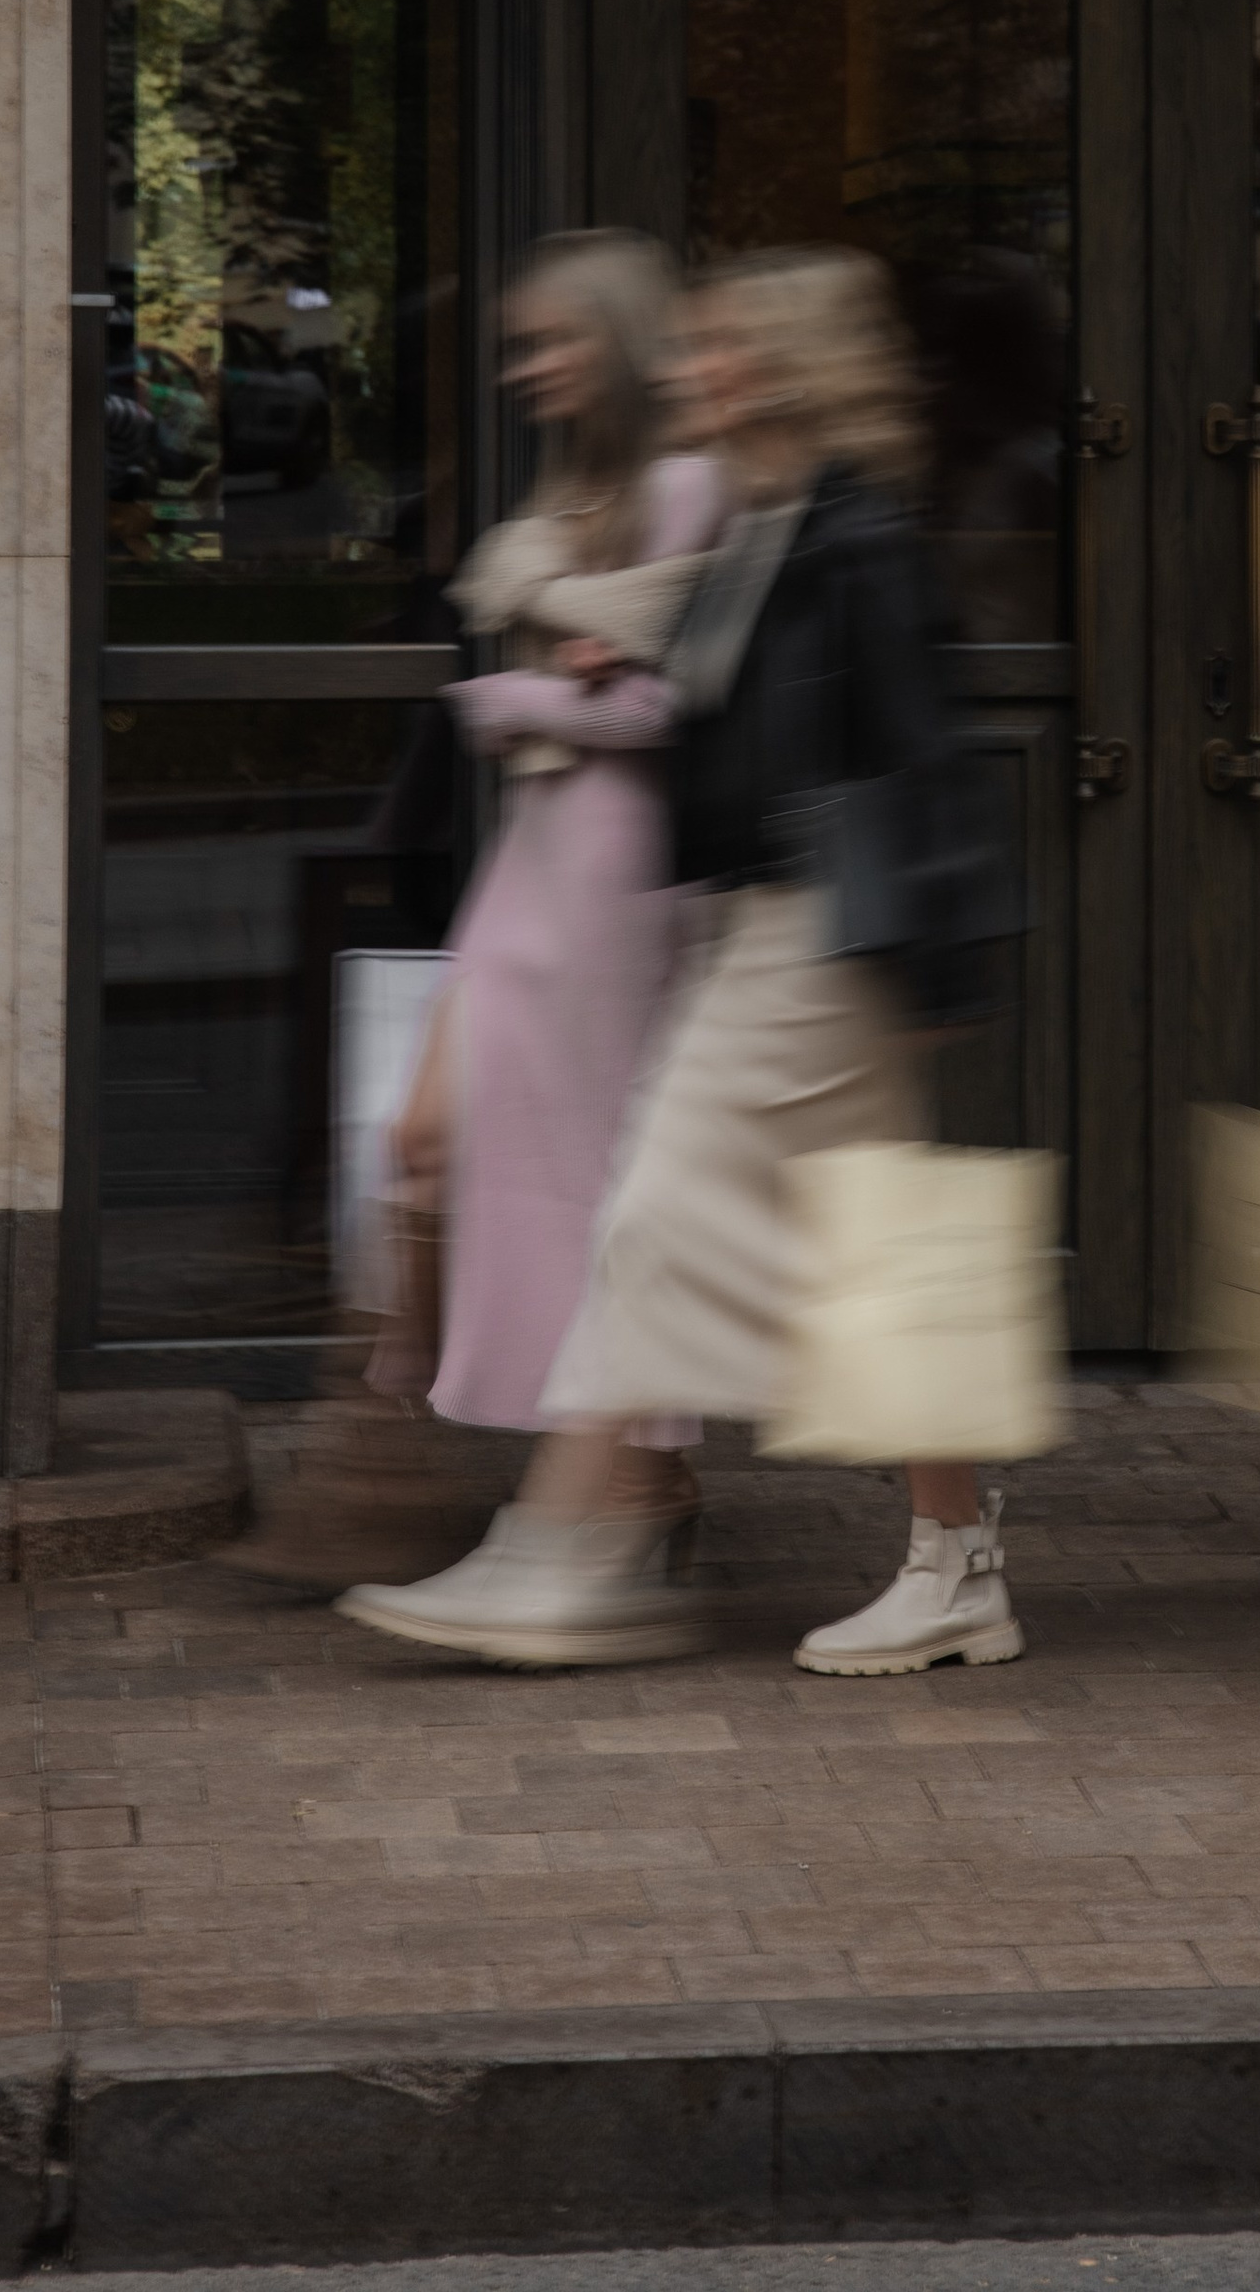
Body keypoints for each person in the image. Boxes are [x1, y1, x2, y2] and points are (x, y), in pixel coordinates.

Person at [343, 245, 1019, 1676]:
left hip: (818, 942)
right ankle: (955, 1568)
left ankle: (566, 1559)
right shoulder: (773, 527)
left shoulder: (853, 537)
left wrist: (944, 977)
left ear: (775, 370)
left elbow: (926, 757)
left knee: (652, 1224)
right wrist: (591, 662)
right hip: (775, 931)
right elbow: (697, 705)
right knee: (879, 1254)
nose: (684, 371)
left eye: (711, 350)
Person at [350, 233, 726, 1615]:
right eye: (523, 343)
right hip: (540, 858)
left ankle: (627, 1491)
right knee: (428, 1135)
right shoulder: (579, 491)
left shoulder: (687, 484)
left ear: (620, 345)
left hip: (618, 871)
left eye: (556, 341)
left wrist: (505, 702)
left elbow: (656, 703)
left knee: (580, 1175)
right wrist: (557, 662)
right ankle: (595, 1476)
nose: (530, 367)